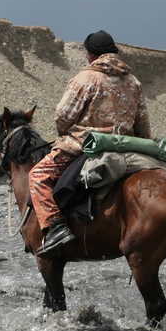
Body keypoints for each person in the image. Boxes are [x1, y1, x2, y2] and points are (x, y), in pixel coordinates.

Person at [31, 30, 151, 256]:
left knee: (37, 176)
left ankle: (56, 228)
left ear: (90, 54)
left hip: (84, 145)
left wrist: (64, 133)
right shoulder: (134, 81)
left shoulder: (86, 78)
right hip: (126, 145)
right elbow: (142, 122)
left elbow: (63, 116)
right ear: (113, 52)